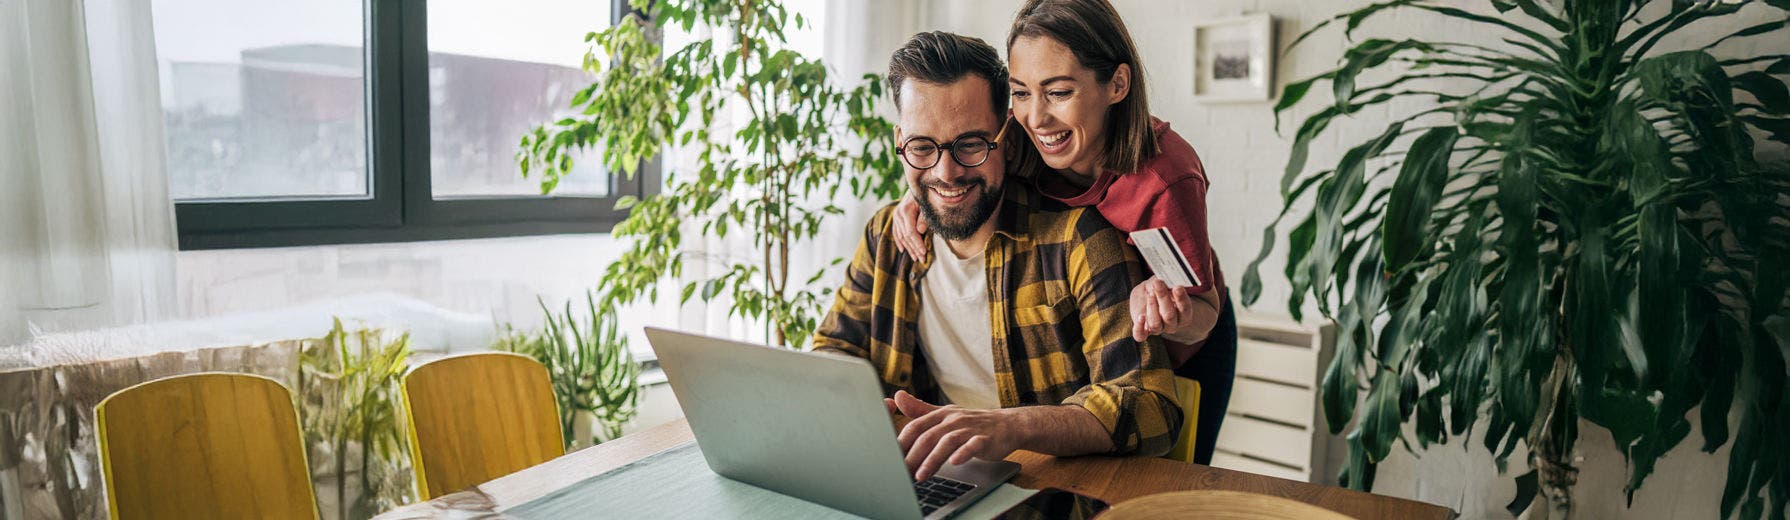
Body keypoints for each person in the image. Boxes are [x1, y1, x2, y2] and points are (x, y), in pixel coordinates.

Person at [811, 31, 1180, 483]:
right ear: (900, 141)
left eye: (969, 144)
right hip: (927, 477)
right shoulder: (888, 236)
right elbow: (835, 349)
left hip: (1050, 489)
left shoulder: (1078, 239)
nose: (946, 173)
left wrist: (1013, 425)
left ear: (1006, 137)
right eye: (923, 147)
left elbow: (1150, 405)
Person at [888, 0, 1238, 466]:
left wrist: (1170, 311)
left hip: (1185, 336)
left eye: (1058, 92)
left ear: (1117, 84)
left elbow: (1204, 310)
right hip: (1101, 327)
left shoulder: (1163, 182)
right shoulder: (1026, 139)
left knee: (1168, 473)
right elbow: (953, 162)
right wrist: (916, 196)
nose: (1036, 117)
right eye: (1021, 92)